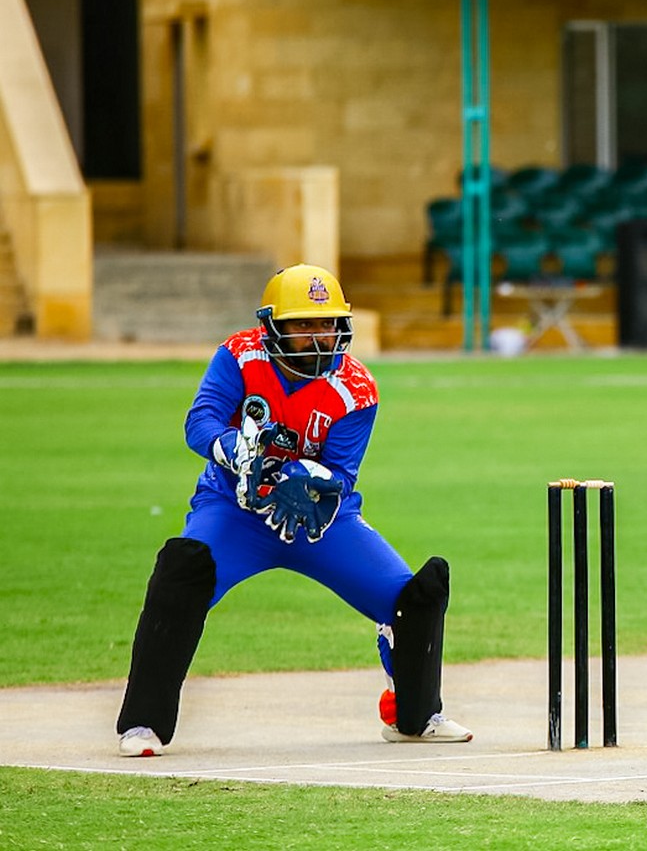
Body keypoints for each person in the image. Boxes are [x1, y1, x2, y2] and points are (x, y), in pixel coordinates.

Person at [116, 263, 472, 756]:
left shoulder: (358, 388)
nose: (318, 336)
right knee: (181, 572)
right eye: (303, 323)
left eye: (327, 323)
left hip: (318, 520)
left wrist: (307, 481)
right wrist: (235, 451)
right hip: (235, 510)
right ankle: (143, 724)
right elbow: (200, 422)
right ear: (272, 326)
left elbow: (342, 473)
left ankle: (413, 715)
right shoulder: (240, 356)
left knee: (412, 597)